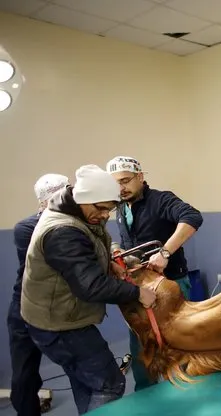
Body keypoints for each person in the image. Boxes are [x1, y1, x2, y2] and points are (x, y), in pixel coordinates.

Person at [20, 164, 157, 415]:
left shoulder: (77, 213)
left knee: (86, 382)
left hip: (55, 318)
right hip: (60, 326)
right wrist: (138, 293)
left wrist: (114, 263)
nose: (106, 216)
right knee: (110, 383)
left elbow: (89, 249)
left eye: (110, 209)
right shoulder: (62, 231)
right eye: (102, 208)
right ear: (84, 199)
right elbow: (90, 286)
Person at [106, 156, 203, 391]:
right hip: (140, 288)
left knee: (178, 343)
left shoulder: (161, 200)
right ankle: (146, 395)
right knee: (141, 347)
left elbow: (193, 217)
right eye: (115, 184)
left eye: (126, 181)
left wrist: (165, 253)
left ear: (140, 177)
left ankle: (187, 394)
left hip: (171, 283)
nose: (121, 188)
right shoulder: (120, 207)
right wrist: (117, 249)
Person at [7, 173, 69, 416]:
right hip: (25, 307)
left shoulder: (70, 225)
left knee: (81, 367)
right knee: (24, 375)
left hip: (57, 306)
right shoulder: (27, 228)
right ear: (46, 200)